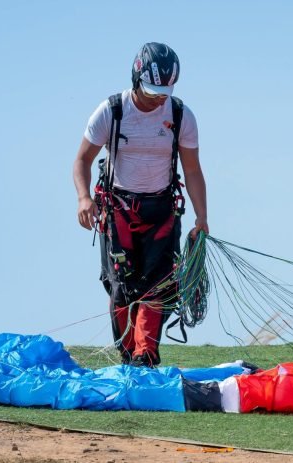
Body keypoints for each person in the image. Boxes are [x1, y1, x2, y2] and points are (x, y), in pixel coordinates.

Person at [72, 42, 209, 367]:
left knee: (158, 284)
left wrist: (202, 217)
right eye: (152, 90)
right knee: (120, 286)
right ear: (136, 79)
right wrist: (83, 197)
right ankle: (128, 354)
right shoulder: (111, 112)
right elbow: (81, 160)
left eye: (164, 90)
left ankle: (144, 356)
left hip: (161, 210)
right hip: (118, 210)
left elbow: (192, 169)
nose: (158, 97)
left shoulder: (180, 116)